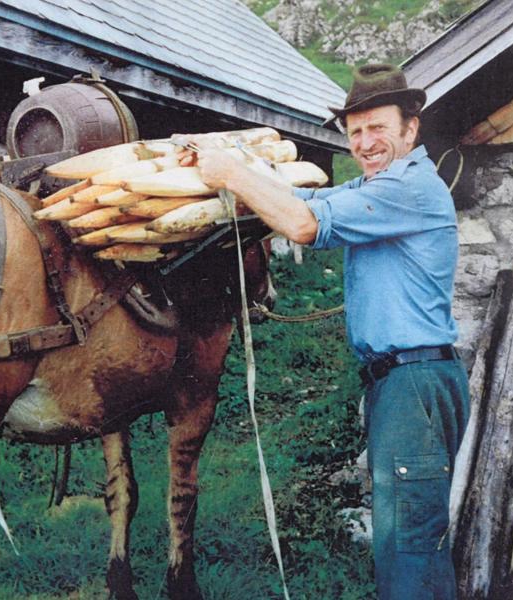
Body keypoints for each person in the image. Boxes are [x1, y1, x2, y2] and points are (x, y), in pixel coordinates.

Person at [196, 64, 469, 599]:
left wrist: (231, 173)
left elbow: (303, 225)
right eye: (355, 130)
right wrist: (247, 171)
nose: (364, 142)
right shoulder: (376, 187)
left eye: (378, 128)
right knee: (417, 542)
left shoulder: (407, 187)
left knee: (407, 547)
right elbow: (308, 204)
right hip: (407, 381)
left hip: (414, 383)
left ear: (410, 129)